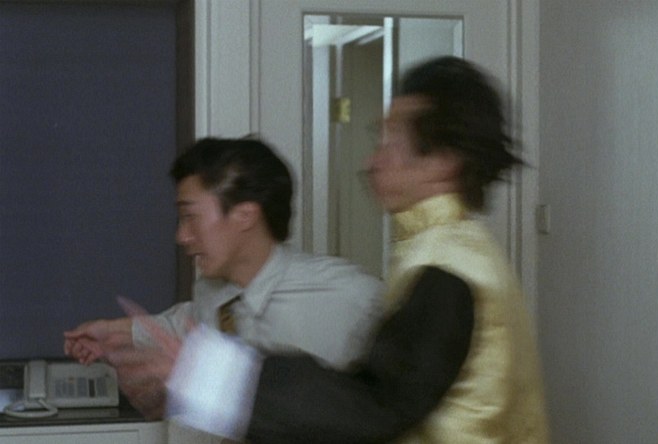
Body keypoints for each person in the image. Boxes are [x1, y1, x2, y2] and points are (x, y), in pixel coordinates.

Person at [123, 56, 549, 443]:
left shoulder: (448, 269)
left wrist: (214, 376)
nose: (371, 162)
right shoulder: (451, 251)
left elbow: (373, 407)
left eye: (390, 141)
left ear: (443, 161)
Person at [62, 137, 383, 418]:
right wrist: (114, 334)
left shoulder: (347, 296)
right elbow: (186, 324)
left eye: (190, 216)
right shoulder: (214, 293)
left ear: (245, 215)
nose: (181, 236)